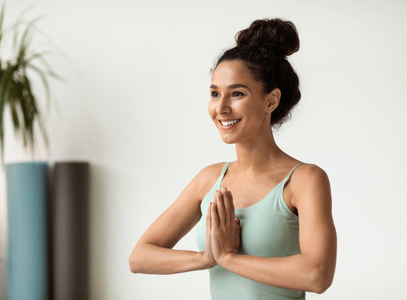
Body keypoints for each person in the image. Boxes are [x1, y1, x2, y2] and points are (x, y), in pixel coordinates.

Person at [129, 18, 337, 300]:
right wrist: (205, 258)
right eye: (215, 94)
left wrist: (228, 258)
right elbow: (140, 257)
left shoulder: (304, 180)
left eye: (237, 93)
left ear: (271, 101)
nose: (222, 108)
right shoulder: (209, 179)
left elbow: (317, 275)